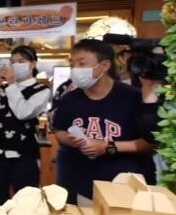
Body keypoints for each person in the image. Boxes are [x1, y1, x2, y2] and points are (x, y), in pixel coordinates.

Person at [51, 39, 156, 203]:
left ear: (105, 65)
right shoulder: (69, 99)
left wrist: (107, 147)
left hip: (125, 187)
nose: (75, 69)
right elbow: (59, 131)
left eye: (82, 64)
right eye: (72, 64)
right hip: (81, 185)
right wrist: (71, 140)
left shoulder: (133, 97)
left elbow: (149, 143)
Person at [0, 46, 51, 205]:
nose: (15, 65)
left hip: (24, 153)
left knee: (26, 201)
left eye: (21, 61)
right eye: (12, 62)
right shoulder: (5, 88)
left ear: (33, 64)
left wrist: (12, 85)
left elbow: (23, 113)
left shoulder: (41, 90)